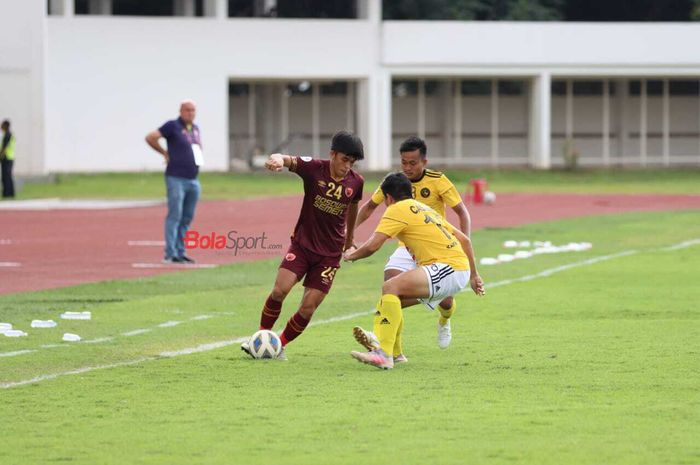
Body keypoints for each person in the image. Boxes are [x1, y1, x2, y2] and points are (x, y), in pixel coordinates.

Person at [241, 131, 365, 360]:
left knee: (308, 307)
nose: (347, 166)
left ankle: (279, 346)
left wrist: (349, 240)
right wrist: (277, 160)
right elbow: (286, 159)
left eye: (352, 162)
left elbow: (353, 206)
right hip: (302, 246)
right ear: (333, 154)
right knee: (279, 291)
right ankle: (261, 337)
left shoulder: (356, 182)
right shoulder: (314, 168)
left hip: (329, 255)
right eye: (344, 160)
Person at [343, 172, 484, 370]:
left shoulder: (396, 209)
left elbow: (374, 245)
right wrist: (474, 274)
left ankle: (383, 352)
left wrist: (351, 255)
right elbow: (465, 240)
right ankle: (395, 354)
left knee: (391, 287)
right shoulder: (425, 208)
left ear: (388, 198)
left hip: (449, 267)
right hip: (455, 267)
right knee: (390, 298)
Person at [354, 136, 471, 354]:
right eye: (404, 162)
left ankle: (444, 321)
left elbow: (462, 212)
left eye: (412, 163)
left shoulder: (438, 180)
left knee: (445, 301)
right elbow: (369, 206)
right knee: (390, 288)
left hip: (436, 249)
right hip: (406, 247)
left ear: (424, 162)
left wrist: (462, 243)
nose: (407, 167)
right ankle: (393, 352)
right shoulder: (395, 182)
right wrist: (349, 231)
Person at [145, 100, 202, 264]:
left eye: (193, 110)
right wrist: (164, 152)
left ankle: (180, 251)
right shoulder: (172, 126)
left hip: (193, 178)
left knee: (187, 217)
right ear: (181, 111)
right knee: (175, 215)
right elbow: (151, 137)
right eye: (187, 110)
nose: (190, 113)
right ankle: (170, 253)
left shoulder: (195, 129)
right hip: (176, 178)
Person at [0, 120, 16, 198]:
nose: (1, 126)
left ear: (6, 126)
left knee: (6, 177)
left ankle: (7, 194)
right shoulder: (10, 135)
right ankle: (10, 193)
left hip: (6, 158)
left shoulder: (7, 135)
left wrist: (1, 156)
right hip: (10, 157)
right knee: (8, 176)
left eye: (2, 125)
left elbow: (4, 148)